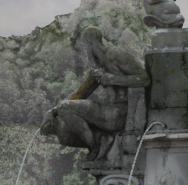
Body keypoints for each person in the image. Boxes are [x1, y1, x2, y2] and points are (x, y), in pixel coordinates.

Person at [41, 26, 146, 159]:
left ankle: (96, 145)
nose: (86, 50)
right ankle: (99, 141)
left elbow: (144, 78)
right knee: (64, 122)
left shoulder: (114, 55)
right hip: (108, 112)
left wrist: (113, 79)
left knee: (65, 108)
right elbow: (80, 94)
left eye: (86, 45)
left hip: (121, 113)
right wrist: (52, 112)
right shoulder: (97, 68)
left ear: (90, 42)